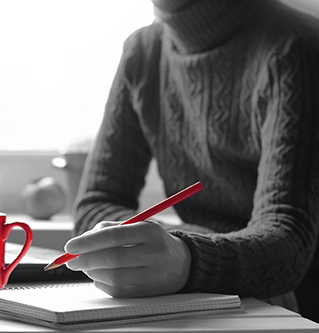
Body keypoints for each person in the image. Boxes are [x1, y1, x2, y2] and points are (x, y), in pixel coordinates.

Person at [64, 0, 319, 323]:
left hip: (294, 310)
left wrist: (188, 256)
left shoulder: (295, 48)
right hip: (211, 297)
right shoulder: (142, 52)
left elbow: (289, 243)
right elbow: (94, 205)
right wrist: (188, 243)